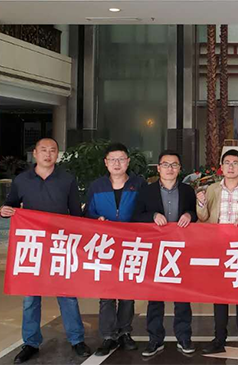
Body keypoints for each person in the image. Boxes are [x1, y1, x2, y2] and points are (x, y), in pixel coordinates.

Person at [0, 138, 92, 363]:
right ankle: (31, 342)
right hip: (33, 247)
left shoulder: (67, 179)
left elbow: (75, 214)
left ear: (57, 155)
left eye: (53, 150)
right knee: (30, 298)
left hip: (60, 245)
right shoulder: (22, 180)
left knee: (67, 295)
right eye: (43, 150)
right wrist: (4, 211)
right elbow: (11, 205)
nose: (48, 154)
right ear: (35, 153)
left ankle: (77, 339)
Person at [132, 150, 198, 357]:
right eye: (166, 165)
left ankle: (184, 337)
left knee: (182, 297)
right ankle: (155, 339)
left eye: (174, 165)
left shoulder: (188, 190)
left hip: (180, 250)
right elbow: (137, 215)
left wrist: (189, 215)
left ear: (179, 168)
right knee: (155, 298)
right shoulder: (146, 191)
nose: (170, 169)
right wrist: (153, 215)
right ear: (158, 168)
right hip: (156, 250)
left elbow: (195, 213)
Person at [196, 149, 238, 354]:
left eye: (235, 163)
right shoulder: (212, 189)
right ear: (221, 167)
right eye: (227, 163)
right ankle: (219, 338)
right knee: (220, 295)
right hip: (218, 247)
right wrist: (201, 202)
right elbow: (203, 217)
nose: (231, 166)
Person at [84, 142, 145, 356]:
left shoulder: (139, 184)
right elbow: (87, 214)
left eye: (121, 159)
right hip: (105, 247)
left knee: (127, 293)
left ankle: (125, 332)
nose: (117, 163)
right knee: (107, 294)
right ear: (106, 163)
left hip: (131, 246)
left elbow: (146, 211)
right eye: (112, 160)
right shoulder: (97, 186)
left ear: (128, 161)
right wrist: (97, 219)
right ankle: (108, 336)